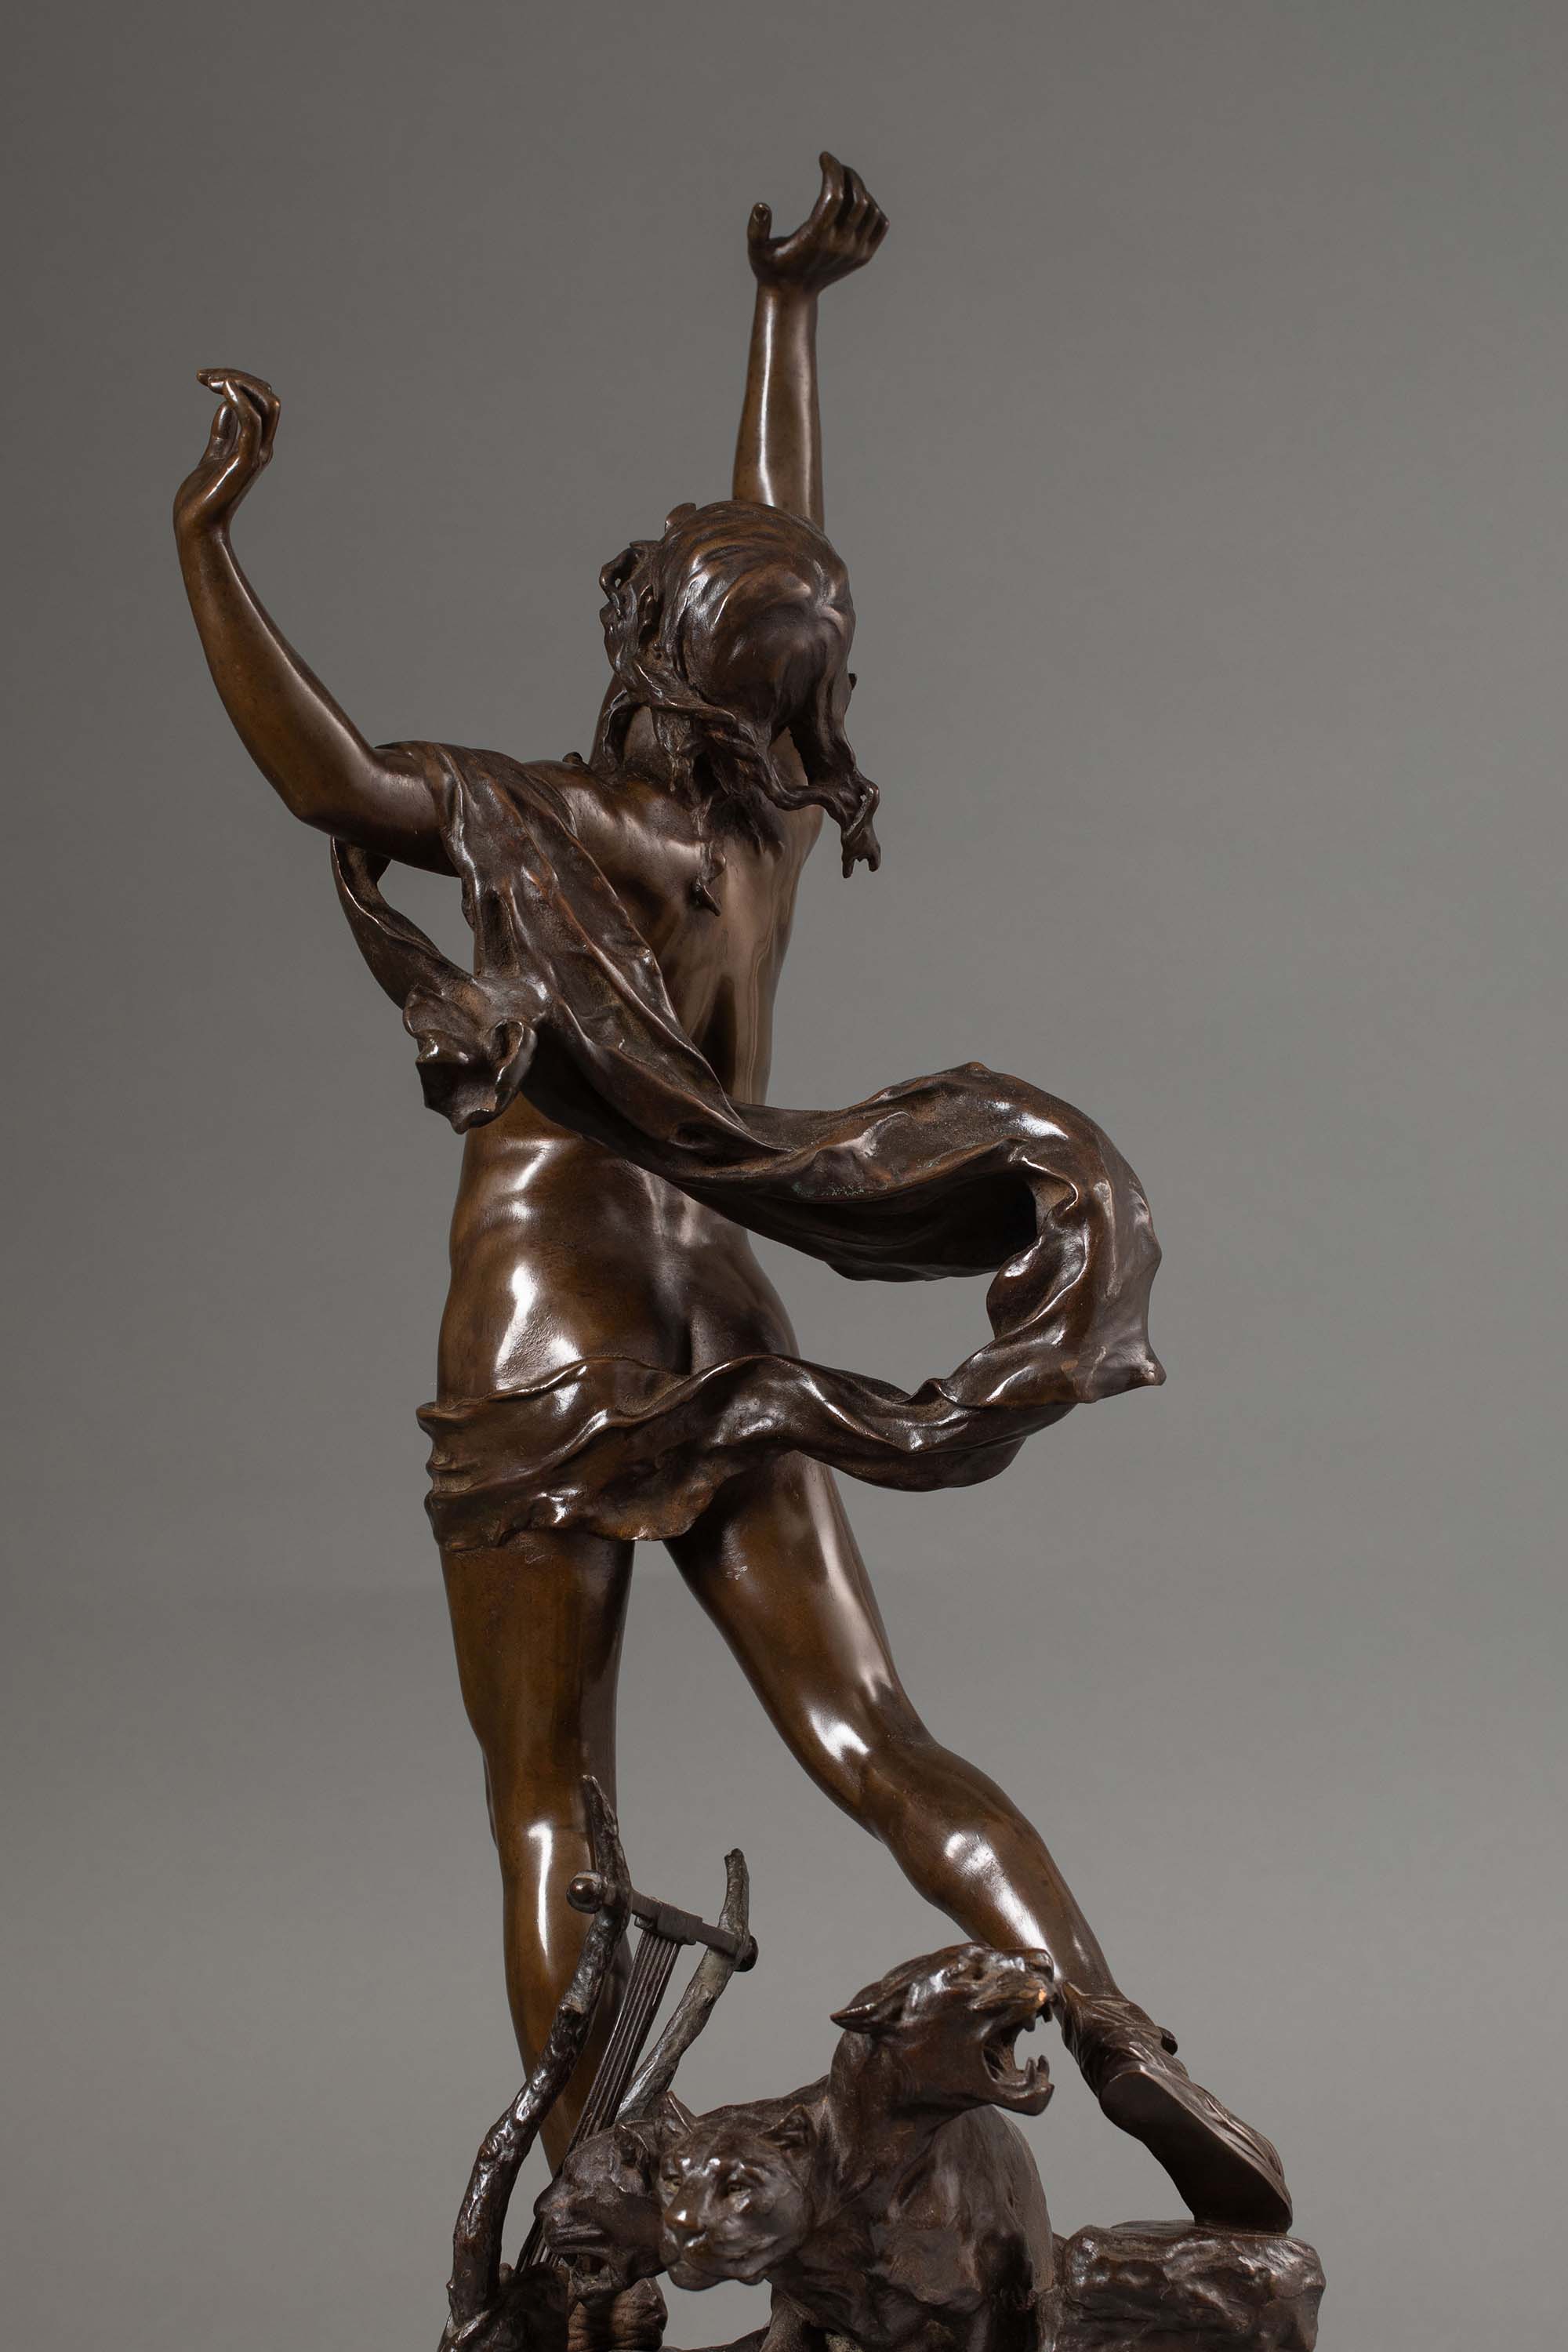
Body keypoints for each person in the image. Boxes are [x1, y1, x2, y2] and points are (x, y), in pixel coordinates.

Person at [173, 157, 1290, 2232]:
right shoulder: (758, 841)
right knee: (875, 1736)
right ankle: (1117, 2030)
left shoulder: (539, 816)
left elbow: (330, 775)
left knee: (549, 1802)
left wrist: (205, 539)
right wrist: (788, 318)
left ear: (643, 645)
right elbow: (791, 561)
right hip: (724, 1323)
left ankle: (594, 2213)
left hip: (544, 1336)